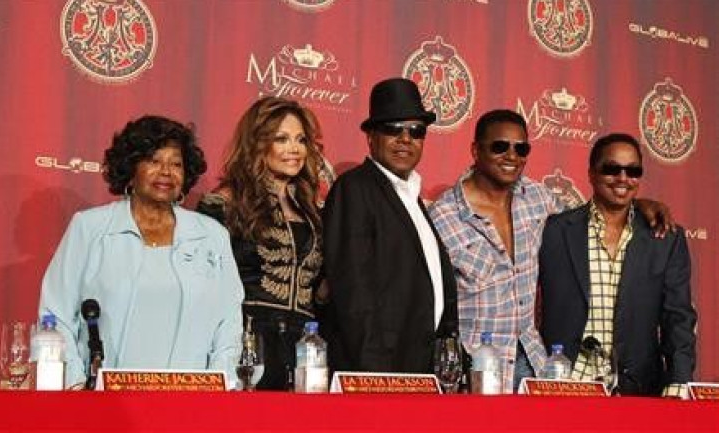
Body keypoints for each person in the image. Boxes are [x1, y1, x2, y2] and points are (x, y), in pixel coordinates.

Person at [429, 110, 675, 393]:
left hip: (532, 363)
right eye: (500, 146)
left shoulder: (537, 199)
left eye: (521, 148)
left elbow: (588, 222)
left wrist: (637, 205)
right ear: (475, 150)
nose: (511, 155)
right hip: (476, 367)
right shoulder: (444, 215)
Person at [39, 115, 244, 389]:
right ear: (131, 168)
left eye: (176, 164)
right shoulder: (90, 228)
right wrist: (76, 385)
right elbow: (57, 313)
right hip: (103, 403)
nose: (166, 172)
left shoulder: (212, 235)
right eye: (154, 161)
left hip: (192, 402)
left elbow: (228, 321)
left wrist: (223, 384)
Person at [538, 133, 696, 396]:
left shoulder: (665, 238)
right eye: (612, 169)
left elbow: (678, 318)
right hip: (565, 385)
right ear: (591, 173)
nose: (623, 178)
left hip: (637, 389)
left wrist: (679, 383)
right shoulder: (554, 230)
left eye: (633, 171)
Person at [322, 77, 458, 374]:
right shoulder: (354, 189)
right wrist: (375, 375)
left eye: (416, 131)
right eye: (392, 129)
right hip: (379, 373)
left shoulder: (413, 199)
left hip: (422, 371)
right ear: (371, 137)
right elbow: (353, 291)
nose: (405, 138)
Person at [197, 96, 325, 390]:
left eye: (301, 139)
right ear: (257, 144)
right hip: (247, 343)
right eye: (281, 139)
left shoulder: (314, 210)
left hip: (305, 349)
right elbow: (204, 286)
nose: (295, 149)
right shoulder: (224, 203)